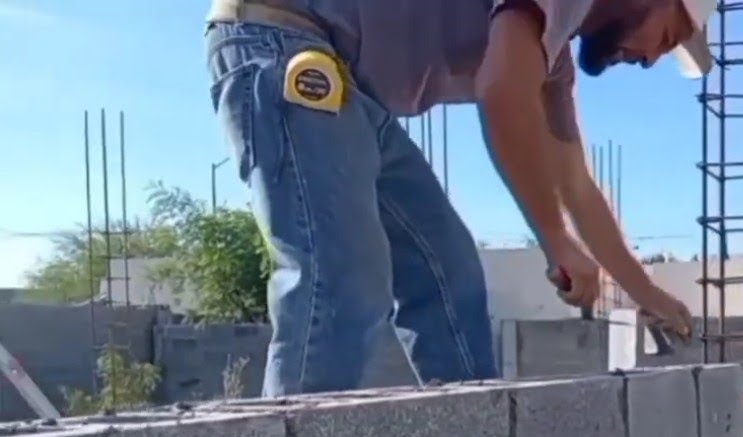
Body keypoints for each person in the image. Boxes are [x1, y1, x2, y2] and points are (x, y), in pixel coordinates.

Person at [204, 0, 710, 397]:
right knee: (341, 277)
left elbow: (576, 186)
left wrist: (651, 297)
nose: (647, 59)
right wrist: (555, 240)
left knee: (447, 269)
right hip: (281, 38)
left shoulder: (551, 62)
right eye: (666, 38)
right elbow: (502, 93)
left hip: (349, 88)